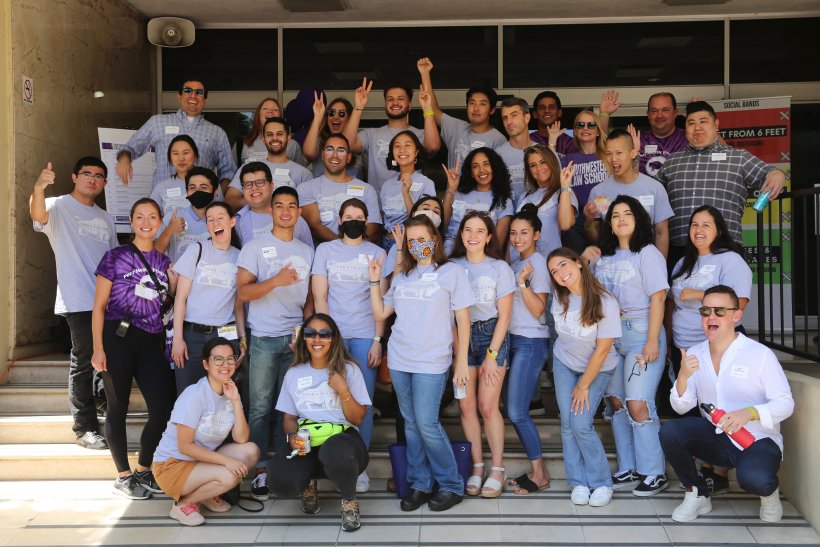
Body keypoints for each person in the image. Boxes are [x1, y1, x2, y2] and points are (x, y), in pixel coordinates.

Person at [367, 215, 474, 512]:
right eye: (411, 241)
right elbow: (381, 311)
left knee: (427, 423)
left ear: (435, 239)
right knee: (412, 424)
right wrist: (375, 279)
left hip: (433, 359)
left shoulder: (452, 272)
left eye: (422, 239)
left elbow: (463, 321)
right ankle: (419, 483)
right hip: (401, 358)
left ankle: (451, 484)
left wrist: (461, 362)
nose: (418, 245)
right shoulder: (402, 277)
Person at [660, 285, 794, 523]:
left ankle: (769, 492)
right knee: (670, 431)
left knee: (755, 479)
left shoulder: (759, 354)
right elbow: (681, 407)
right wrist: (682, 377)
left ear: (736, 315)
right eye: (706, 311)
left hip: (757, 440)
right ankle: (697, 493)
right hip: (718, 438)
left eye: (719, 311)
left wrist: (749, 413)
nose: (711, 316)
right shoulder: (695, 353)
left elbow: (785, 404)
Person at [91, 198, 177, 499]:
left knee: (163, 408)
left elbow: (172, 301)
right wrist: (98, 348)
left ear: (160, 222)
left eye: (153, 217)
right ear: (131, 220)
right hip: (118, 339)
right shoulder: (115, 257)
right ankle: (123, 475)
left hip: (152, 341)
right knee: (118, 408)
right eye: (140, 216)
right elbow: (98, 307)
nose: (146, 222)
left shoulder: (165, 263)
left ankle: (143, 467)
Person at [30, 157, 118, 450]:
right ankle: (84, 428)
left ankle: (101, 402)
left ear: (105, 183)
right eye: (86, 174)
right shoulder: (58, 205)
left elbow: (115, 261)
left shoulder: (106, 218)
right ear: (74, 176)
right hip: (78, 300)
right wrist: (39, 187)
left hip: (107, 302)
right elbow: (38, 216)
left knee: (107, 358)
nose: (92, 179)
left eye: (98, 176)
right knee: (83, 362)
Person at [585, 196, 670, 496]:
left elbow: (658, 298)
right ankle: (629, 466)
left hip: (641, 332)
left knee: (638, 403)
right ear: (608, 223)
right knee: (617, 402)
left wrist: (651, 340)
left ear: (638, 220)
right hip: (611, 336)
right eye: (615, 215)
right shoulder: (603, 257)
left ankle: (654, 472)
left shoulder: (647, 254)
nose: (621, 219)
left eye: (627, 214)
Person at [236, 185, 314, 501]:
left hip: (295, 340)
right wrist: (275, 282)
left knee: (290, 409)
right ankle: (261, 472)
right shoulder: (255, 247)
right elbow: (242, 293)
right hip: (264, 338)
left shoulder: (308, 252)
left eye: (291, 206)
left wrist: (308, 333)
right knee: (259, 407)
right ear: (271, 210)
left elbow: (309, 300)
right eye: (279, 205)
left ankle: (285, 469)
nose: (285, 211)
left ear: (298, 212)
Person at [268, 314, 371, 532]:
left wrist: (343, 390)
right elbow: (289, 418)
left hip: (344, 440)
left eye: (324, 334)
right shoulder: (294, 373)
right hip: (308, 440)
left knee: (336, 449)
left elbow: (357, 418)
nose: (317, 339)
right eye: (310, 333)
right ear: (303, 338)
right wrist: (291, 437)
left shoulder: (349, 369)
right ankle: (308, 483)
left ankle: (349, 501)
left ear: (334, 338)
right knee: (279, 480)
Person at [311, 198, 387, 492]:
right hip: (334, 337)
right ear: (340, 221)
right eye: (348, 216)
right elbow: (320, 297)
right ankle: (329, 460)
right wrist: (326, 338)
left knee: (362, 402)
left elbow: (380, 301)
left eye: (360, 216)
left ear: (366, 221)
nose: (354, 220)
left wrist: (378, 340)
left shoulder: (377, 252)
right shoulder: (325, 250)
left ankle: (360, 466)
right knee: (332, 398)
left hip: (366, 334)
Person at [656, 101, 786, 270]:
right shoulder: (672, 161)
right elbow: (653, 196)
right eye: (691, 123)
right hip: (680, 249)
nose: (697, 128)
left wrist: (778, 174)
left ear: (716, 125)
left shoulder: (738, 157)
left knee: (726, 297)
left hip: (725, 249)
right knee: (680, 296)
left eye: (703, 121)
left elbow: (769, 173)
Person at [153, 337, 260, 526]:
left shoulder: (230, 391)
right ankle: (183, 504)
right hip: (172, 465)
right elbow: (184, 446)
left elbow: (242, 438)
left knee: (251, 450)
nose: (225, 364)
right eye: (218, 359)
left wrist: (235, 401)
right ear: (206, 364)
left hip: (199, 460)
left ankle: (205, 493)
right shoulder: (194, 395)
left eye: (230, 359)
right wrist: (227, 461)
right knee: (230, 476)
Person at [547, 247, 621, 507]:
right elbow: (560, 338)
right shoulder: (559, 297)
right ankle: (578, 481)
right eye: (554, 271)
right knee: (567, 423)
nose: (560, 273)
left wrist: (583, 385)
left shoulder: (605, 301)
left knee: (580, 424)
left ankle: (601, 482)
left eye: (564, 265)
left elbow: (602, 351)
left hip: (597, 368)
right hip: (565, 362)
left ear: (579, 263)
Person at [450, 211, 515, 498]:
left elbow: (505, 316)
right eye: (468, 230)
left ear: (489, 237)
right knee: (466, 407)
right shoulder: (451, 267)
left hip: (491, 337)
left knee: (488, 407)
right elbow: (449, 316)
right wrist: (459, 356)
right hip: (460, 340)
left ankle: (497, 468)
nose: (473, 236)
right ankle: (477, 466)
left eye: (479, 231)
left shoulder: (499, 268)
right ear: (461, 234)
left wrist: (492, 354)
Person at [669, 206, 753, 380]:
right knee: (686, 400)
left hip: (716, 345)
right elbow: (671, 303)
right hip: (682, 345)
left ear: (719, 230)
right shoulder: (682, 263)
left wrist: (699, 294)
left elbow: (740, 302)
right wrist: (669, 341)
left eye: (706, 225)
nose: (698, 230)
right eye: (694, 225)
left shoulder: (730, 259)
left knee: (715, 402)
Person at [170, 201, 245, 395]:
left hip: (225, 334)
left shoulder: (241, 257)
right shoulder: (197, 249)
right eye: (210, 220)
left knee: (224, 395)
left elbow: (238, 305)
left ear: (232, 221)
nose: (215, 223)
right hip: (192, 336)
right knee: (189, 395)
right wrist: (178, 339)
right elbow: (180, 298)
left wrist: (242, 339)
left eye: (220, 218)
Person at [503, 208, 552, 494]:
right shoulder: (515, 262)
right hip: (514, 341)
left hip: (531, 341)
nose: (518, 238)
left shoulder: (538, 264)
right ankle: (538, 470)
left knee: (517, 411)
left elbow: (537, 309)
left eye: (524, 232)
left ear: (536, 235)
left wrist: (522, 284)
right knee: (514, 409)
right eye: (513, 232)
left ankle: (540, 473)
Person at [116, 79, 236, 188]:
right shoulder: (157, 122)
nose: (193, 95)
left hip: (200, 204)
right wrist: (124, 160)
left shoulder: (217, 133)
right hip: (163, 200)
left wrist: (221, 195)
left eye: (199, 92)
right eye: (187, 91)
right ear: (179, 96)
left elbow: (228, 171)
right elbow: (130, 148)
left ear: (205, 99)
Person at [585, 129, 673, 258]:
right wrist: (588, 220)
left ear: (632, 153)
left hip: (646, 261)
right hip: (612, 264)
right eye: (608, 153)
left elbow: (661, 233)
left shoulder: (654, 188)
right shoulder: (598, 192)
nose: (613, 159)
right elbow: (596, 239)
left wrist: (660, 267)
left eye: (619, 153)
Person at [342, 78, 440, 192]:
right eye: (390, 99)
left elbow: (433, 147)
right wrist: (358, 107)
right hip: (378, 208)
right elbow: (345, 145)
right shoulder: (372, 134)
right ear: (385, 104)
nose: (395, 103)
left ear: (410, 105)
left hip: (411, 206)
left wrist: (427, 109)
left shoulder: (420, 134)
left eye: (400, 99)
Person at [416, 57, 506, 168]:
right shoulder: (457, 128)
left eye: (482, 104)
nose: (476, 108)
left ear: (492, 110)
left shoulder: (498, 139)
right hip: (454, 186)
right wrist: (425, 73)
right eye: (472, 103)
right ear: (467, 106)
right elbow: (433, 111)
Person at [297, 133, 382, 244]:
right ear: (323, 155)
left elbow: (372, 232)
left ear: (349, 157)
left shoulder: (367, 190)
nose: (335, 155)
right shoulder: (306, 188)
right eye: (330, 149)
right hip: (323, 257)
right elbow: (315, 227)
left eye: (341, 150)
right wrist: (344, 246)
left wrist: (347, 248)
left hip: (359, 256)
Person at [225, 117, 313, 210]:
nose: (274, 138)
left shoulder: (304, 173)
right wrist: (256, 199)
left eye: (279, 134)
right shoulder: (248, 168)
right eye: (269, 134)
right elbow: (229, 200)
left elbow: (308, 211)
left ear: (288, 138)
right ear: (264, 139)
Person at [442, 147, 514, 254]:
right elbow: (442, 224)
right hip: (450, 254)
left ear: (495, 167)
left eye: (486, 164)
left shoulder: (504, 201)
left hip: (481, 257)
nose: (481, 170)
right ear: (471, 173)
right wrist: (451, 189)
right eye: (475, 166)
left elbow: (497, 244)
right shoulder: (457, 194)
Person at [513, 146, 577, 263]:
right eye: (533, 165)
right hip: (520, 263)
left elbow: (566, 224)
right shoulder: (524, 197)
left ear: (551, 163)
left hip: (550, 264)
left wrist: (565, 187)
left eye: (543, 162)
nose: (539, 168)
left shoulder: (563, 192)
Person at [379, 130, 436, 249]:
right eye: (397, 146)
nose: (402, 150)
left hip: (410, 243)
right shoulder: (387, 185)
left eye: (407, 145)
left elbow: (424, 222)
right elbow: (383, 217)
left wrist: (406, 193)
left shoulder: (426, 183)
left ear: (416, 152)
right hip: (386, 242)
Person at [234, 162, 313, 248]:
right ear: (243, 190)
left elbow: (309, 255)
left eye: (260, 182)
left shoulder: (294, 217)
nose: (254, 188)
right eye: (248, 184)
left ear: (272, 185)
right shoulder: (237, 222)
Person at [155, 167, 218, 262]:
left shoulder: (222, 220)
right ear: (186, 192)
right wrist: (169, 230)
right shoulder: (174, 216)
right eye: (192, 187)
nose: (197, 191)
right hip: (176, 276)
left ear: (215, 191)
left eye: (203, 187)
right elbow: (156, 252)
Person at [150, 135, 221, 219]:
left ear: (195, 155)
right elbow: (152, 217)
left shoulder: (210, 182)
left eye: (186, 153)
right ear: (170, 157)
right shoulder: (161, 187)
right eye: (175, 153)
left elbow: (221, 213)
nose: (181, 158)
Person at [530, 90, 620, 154]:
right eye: (542, 108)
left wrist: (604, 114)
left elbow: (600, 145)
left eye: (552, 107)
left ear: (559, 112)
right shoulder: (529, 140)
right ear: (535, 114)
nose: (547, 111)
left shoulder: (570, 143)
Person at [303, 93, 364, 179]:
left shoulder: (357, 142)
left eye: (341, 113)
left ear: (349, 118)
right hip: (321, 191)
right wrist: (317, 117)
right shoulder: (321, 141)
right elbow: (308, 153)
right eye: (331, 113)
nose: (335, 117)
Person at [628, 92, 688, 179]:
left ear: (675, 113)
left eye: (665, 110)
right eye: (654, 111)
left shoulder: (688, 138)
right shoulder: (636, 139)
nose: (659, 115)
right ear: (648, 114)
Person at [239, 97, 307, 166]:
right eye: (265, 108)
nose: (270, 111)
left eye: (275, 109)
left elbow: (301, 172)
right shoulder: (245, 142)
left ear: (280, 117)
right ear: (258, 115)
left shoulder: (292, 144)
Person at [495, 97, 537, 202]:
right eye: (505, 118)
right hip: (505, 216)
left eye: (514, 115)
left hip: (537, 216)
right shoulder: (496, 156)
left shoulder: (544, 153)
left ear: (527, 118)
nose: (509, 122)